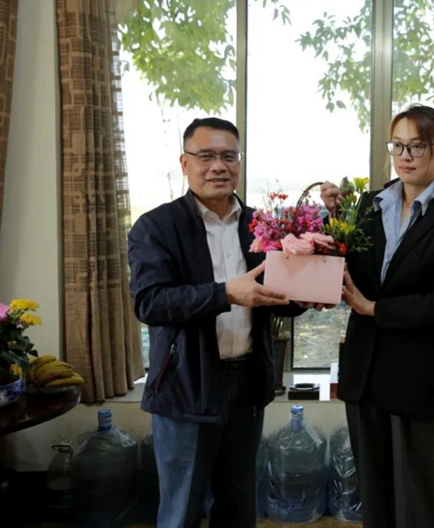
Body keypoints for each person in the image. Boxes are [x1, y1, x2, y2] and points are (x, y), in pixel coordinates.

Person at [128, 117, 324, 528]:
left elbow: (272, 296)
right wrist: (225, 294)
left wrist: (304, 297)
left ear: (239, 162)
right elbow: (151, 303)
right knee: (181, 510)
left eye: (229, 156)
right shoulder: (157, 227)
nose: (219, 166)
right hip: (186, 387)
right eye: (206, 156)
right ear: (185, 163)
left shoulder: (260, 225)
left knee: (237, 506)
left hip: (246, 385)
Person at [321, 104, 434, 528]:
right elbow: (348, 270)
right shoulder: (367, 206)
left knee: (417, 503)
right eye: (398, 146)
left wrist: (373, 308)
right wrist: (333, 222)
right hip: (365, 372)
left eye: (417, 146)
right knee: (373, 498)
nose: (406, 156)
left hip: (417, 378)